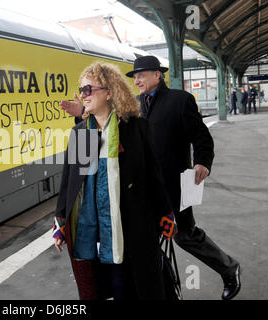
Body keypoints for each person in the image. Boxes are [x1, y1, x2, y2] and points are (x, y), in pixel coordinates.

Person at [60, 56, 241, 300]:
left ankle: (228, 268)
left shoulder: (180, 100)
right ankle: (161, 290)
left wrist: (202, 161)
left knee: (185, 236)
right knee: (143, 252)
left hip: (173, 187)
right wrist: (82, 111)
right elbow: (107, 125)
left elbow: (201, 137)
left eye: (142, 74)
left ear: (158, 74)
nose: (137, 79)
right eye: (134, 76)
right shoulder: (132, 105)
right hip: (140, 192)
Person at [53, 61, 176, 300]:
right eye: (82, 90)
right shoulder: (81, 132)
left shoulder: (135, 128)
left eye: (88, 89)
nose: (83, 95)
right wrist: (60, 223)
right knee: (97, 288)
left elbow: (153, 175)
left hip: (131, 227)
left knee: (129, 288)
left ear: (109, 92)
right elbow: (70, 183)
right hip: (92, 231)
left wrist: (166, 213)